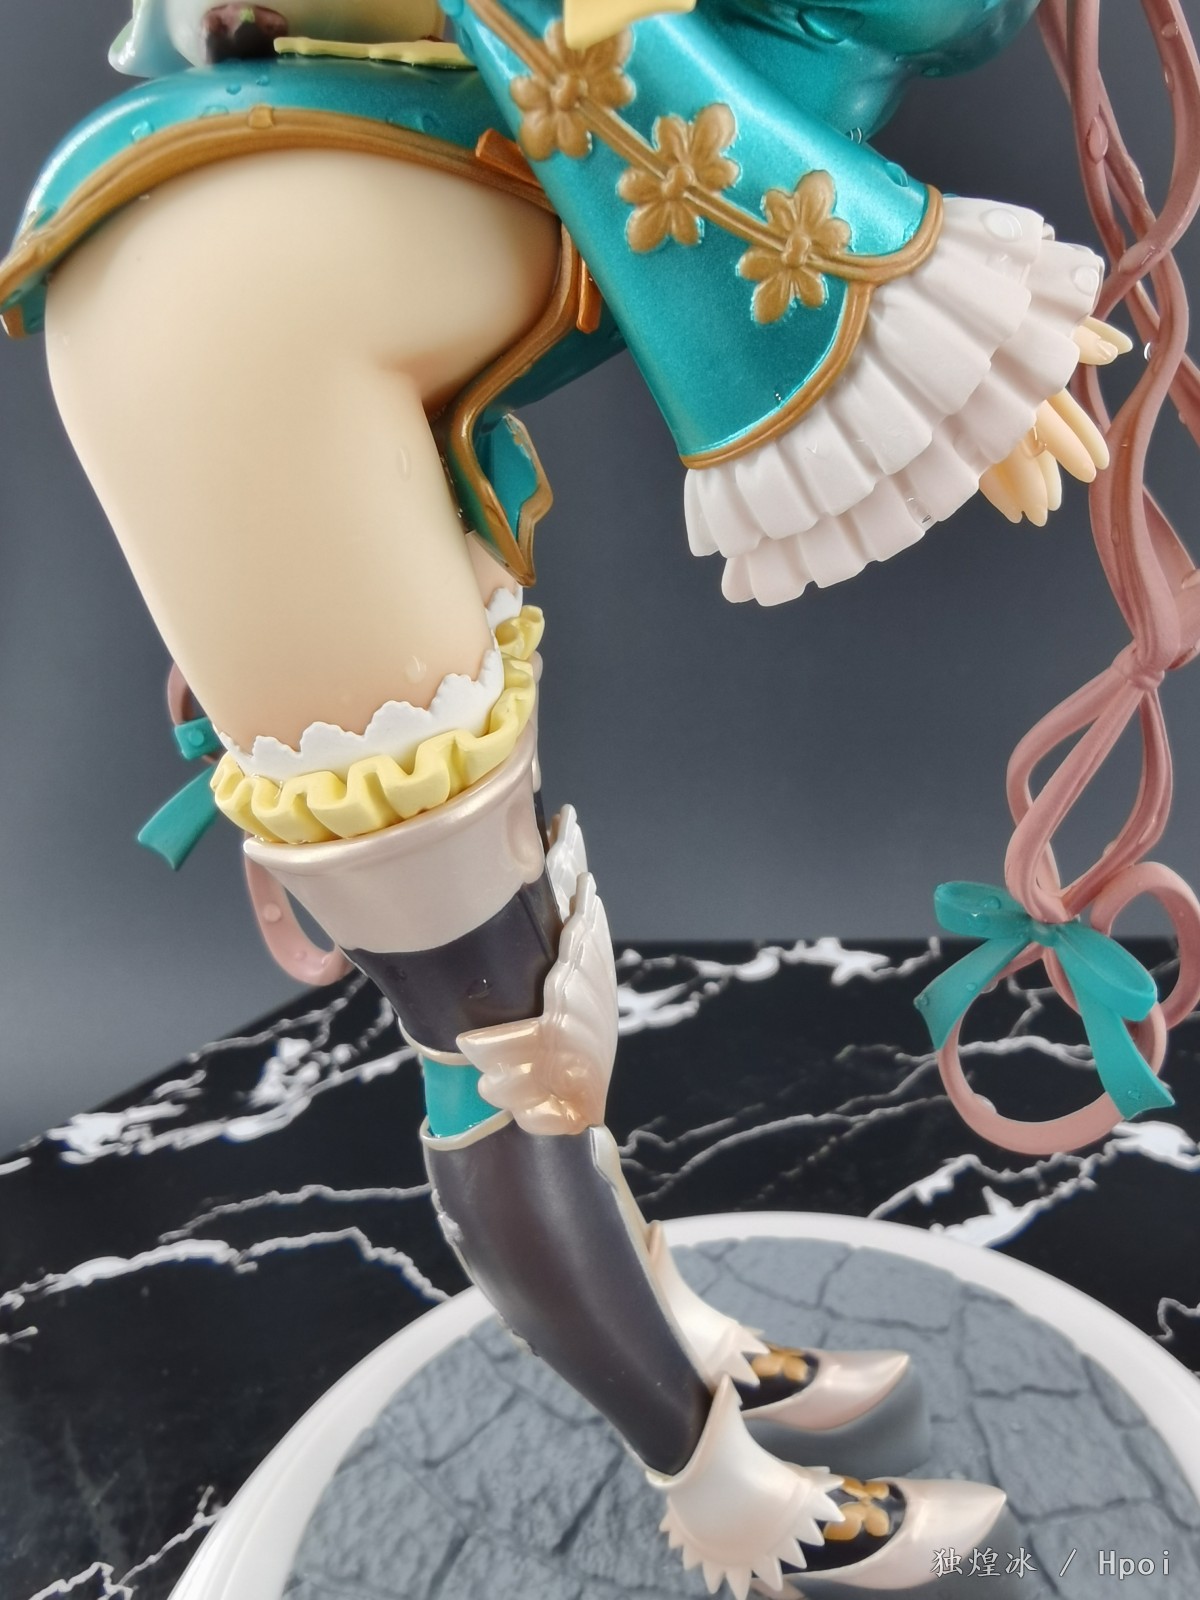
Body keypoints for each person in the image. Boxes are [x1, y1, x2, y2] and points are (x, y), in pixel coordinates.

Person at [1, 1, 1189, 1594]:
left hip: (291, 298)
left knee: (537, 989)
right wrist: (905, 305)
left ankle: (671, 1332)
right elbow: (603, 67)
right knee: (509, 1048)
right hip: (241, 349)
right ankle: (728, 1501)